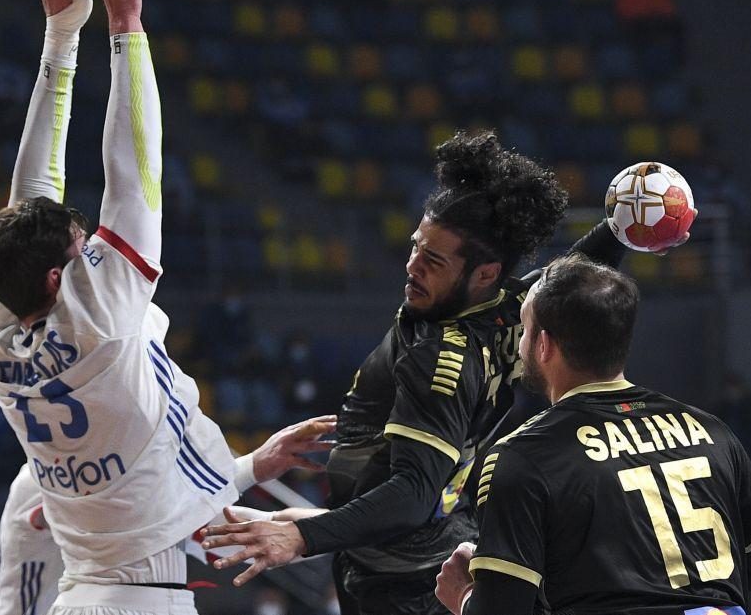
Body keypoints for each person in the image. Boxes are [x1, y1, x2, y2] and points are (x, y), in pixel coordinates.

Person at [0, 0, 333, 615]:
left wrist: (60, 36)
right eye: (81, 251)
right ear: (57, 279)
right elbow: (134, 174)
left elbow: (28, 203)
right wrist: (125, 24)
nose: (93, 255)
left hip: (94, 593)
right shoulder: (101, 321)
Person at [201, 132, 661, 614]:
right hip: (424, 547)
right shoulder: (507, 311)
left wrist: (301, 535)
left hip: (404, 586)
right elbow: (570, 275)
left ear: (485, 273)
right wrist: (621, 227)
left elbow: (411, 496)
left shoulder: (442, 359)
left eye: (433, 261)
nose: (412, 266)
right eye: (416, 247)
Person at [434, 254, 751, 615]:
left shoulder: (522, 455)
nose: (519, 343)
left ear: (544, 344)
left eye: (525, 330)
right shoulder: (711, 431)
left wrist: (464, 596)